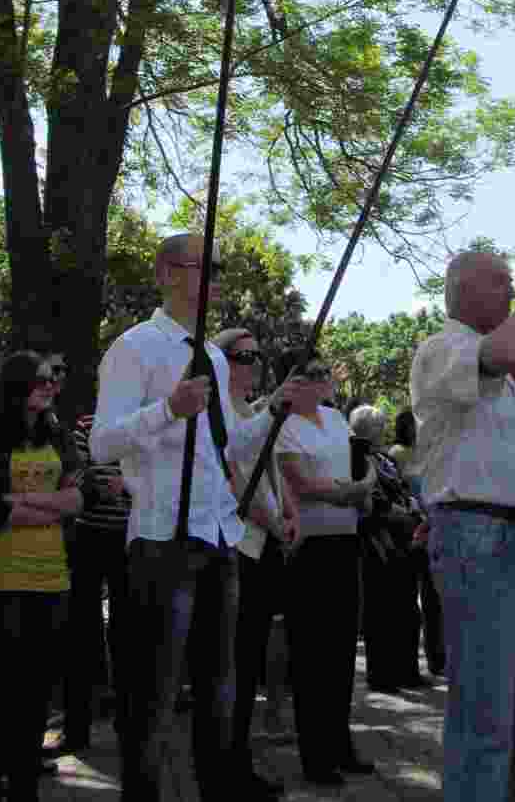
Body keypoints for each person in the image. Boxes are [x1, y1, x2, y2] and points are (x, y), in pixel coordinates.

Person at [90, 233, 311, 802]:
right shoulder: (134, 347)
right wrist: (167, 409)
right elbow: (101, 443)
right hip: (163, 536)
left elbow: (228, 446)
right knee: (153, 694)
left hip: (218, 536)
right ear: (167, 272)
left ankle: (219, 788)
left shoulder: (211, 354)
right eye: (204, 267)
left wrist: (273, 409)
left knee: (220, 688)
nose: (215, 278)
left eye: (218, 268)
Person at [410, 234, 515, 802]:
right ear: (461, 289)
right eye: (501, 279)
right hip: (479, 535)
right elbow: (502, 353)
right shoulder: (442, 347)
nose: (514, 288)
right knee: (485, 707)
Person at [0, 352, 82, 802]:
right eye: (41, 380)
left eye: (52, 380)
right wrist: (47, 505)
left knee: (35, 691)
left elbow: (76, 502)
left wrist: (21, 504)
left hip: (52, 578)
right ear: (17, 386)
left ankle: (25, 782)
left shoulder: (59, 435)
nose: (50, 386)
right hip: (0, 578)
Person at [278, 357, 376, 785]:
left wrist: (364, 487)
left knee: (340, 655)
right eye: (313, 374)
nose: (324, 380)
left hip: (345, 540)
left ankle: (341, 744)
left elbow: (360, 466)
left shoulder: (336, 419)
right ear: (293, 382)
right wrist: (350, 493)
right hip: (308, 548)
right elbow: (297, 481)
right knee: (312, 656)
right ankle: (315, 756)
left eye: (325, 373)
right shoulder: (282, 423)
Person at [219, 327, 298, 798]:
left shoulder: (248, 409)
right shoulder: (222, 413)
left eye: (257, 355)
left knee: (250, 657)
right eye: (243, 355)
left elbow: (269, 472)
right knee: (239, 660)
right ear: (223, 360)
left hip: (265, 542)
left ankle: (238, 757)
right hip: (243, 544)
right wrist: (272, 520)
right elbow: (232, 472)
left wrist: (287, 512)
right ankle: (229, 764)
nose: (253, 363)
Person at [61, 410, 132, 753]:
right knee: (80, 633)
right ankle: (77, 728)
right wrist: (92, 486)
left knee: (127, 635)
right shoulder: (85, 426)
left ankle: (129, 724)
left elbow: (156, 477)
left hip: (130, 539)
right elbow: (75, 475)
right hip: (88, 536)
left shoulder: (142, 422)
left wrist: (128, 486)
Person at [349, 403, 424, 694]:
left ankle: (407, 670)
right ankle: (382, 675)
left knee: (406, 609)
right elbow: (369, 499)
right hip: (377, 539)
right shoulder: (357, 455)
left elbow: (400, 488)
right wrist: (399, 511)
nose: (383, 430)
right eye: (379, 425)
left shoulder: (383, 458)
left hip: (402, 537)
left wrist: (410, 505)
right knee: (381, 612)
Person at [388, 408, 444, 677]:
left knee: (435, 596)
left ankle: (438, 656)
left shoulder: (429, 451)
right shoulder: (396, 453)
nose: (417, 428)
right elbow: (397, 490)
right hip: (411, 527)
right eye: (412, 424)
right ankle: (411, 660)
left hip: (434, 524)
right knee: (414, 595)